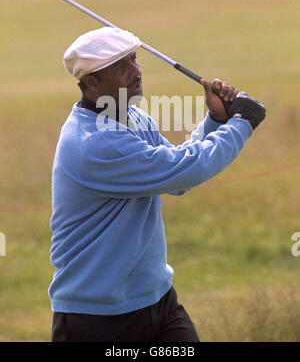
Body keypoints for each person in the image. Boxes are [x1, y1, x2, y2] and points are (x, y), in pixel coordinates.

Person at [49, 27, 266, 342]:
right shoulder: (93, 143)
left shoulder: (130, 117)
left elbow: (173, 168)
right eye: (121, 67)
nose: (136, 72)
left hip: (158, 301)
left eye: (134, 60)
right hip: (96, 318)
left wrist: (216, 122)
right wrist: (240, 124)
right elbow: (180, 171)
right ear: (92, 83)